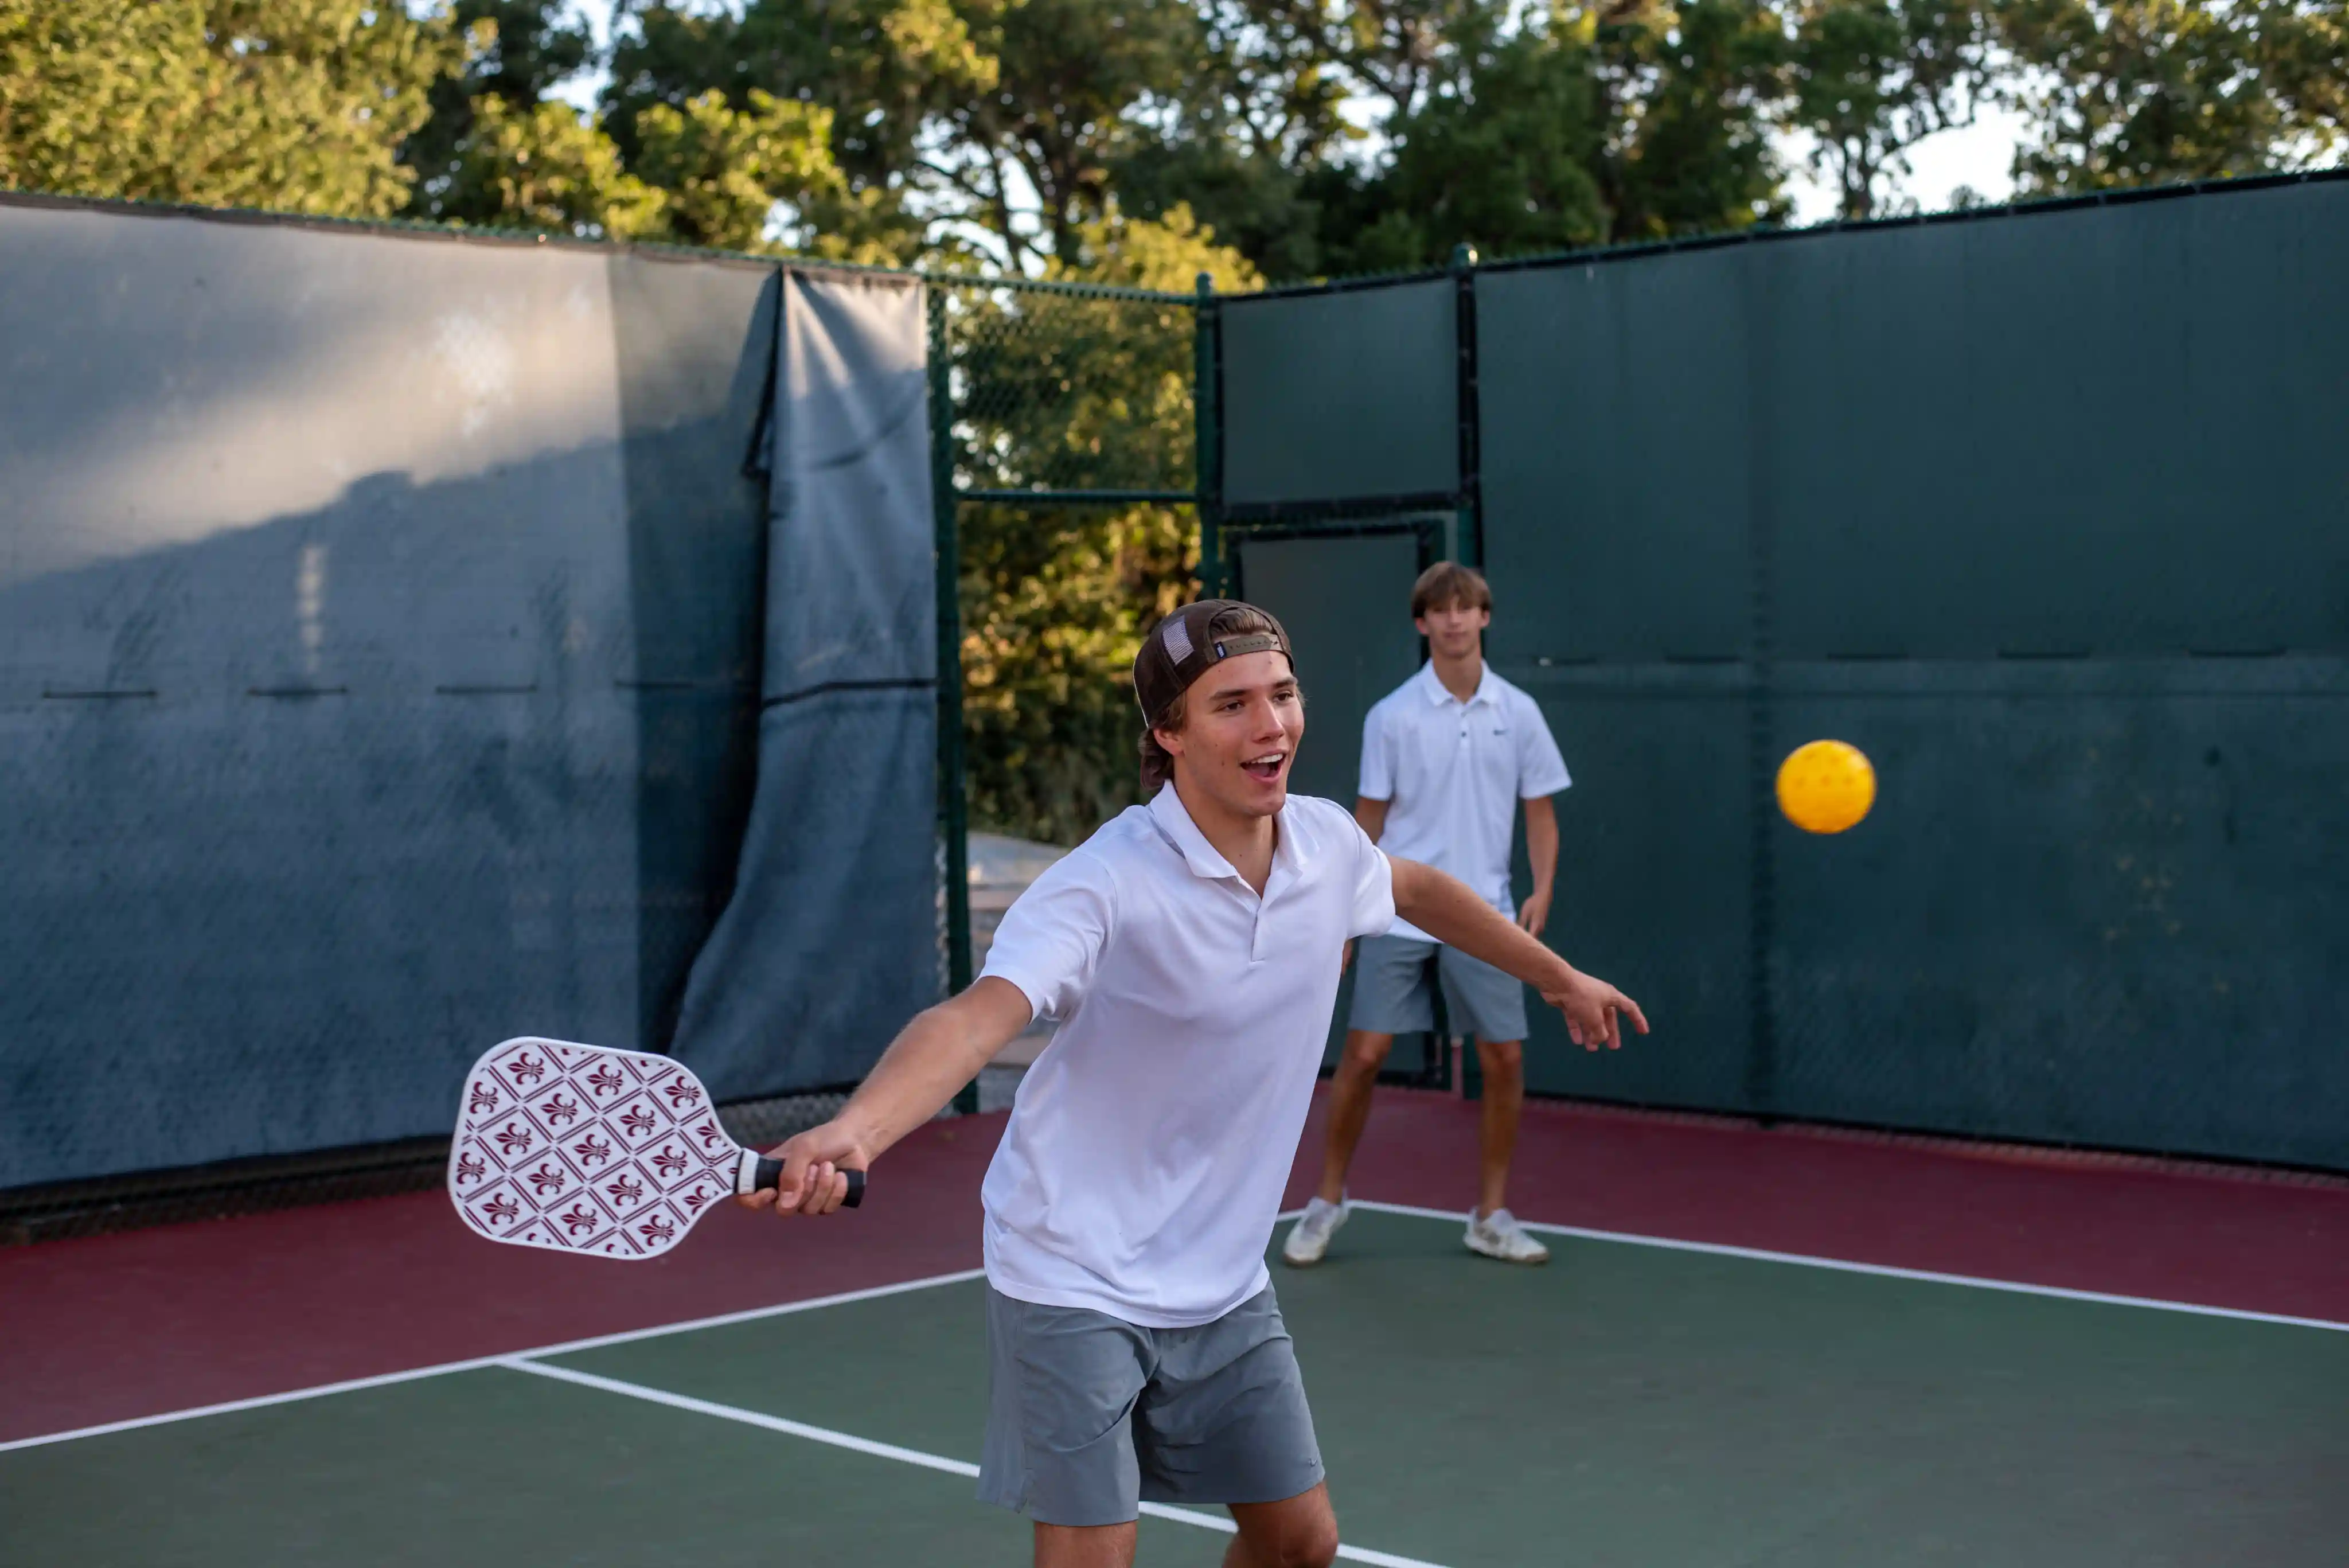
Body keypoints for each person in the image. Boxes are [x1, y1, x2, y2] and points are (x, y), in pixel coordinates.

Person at [742, 598, 1644, 1568]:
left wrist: (1555, 974)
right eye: (1231, 704)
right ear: (1168, 733)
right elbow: (977, 1016)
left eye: (1283, 694)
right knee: (1098, 1548)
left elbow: (1416, 888)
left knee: (1300, 1543)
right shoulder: (1104, 882)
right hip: (1072, 1264)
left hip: (1219, 1274)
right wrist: (862, 1128)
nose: (1271, 724)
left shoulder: (1326, 846)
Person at [1283, 563, 1572, 1270]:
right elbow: (1368, 822)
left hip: (1487, 914)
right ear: (1421, 624)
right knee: (1365, 1055)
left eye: (1465, 608)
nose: (1452, 620)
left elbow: (1541, 813)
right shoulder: (1392, 715)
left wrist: (1542, 887)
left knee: (1503, 1057)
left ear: (1483, 618)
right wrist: (1345, 914)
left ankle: (1492, 1216)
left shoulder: (1519, 713)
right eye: (1438, 610)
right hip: (1399, 912)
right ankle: (1326, 1201)